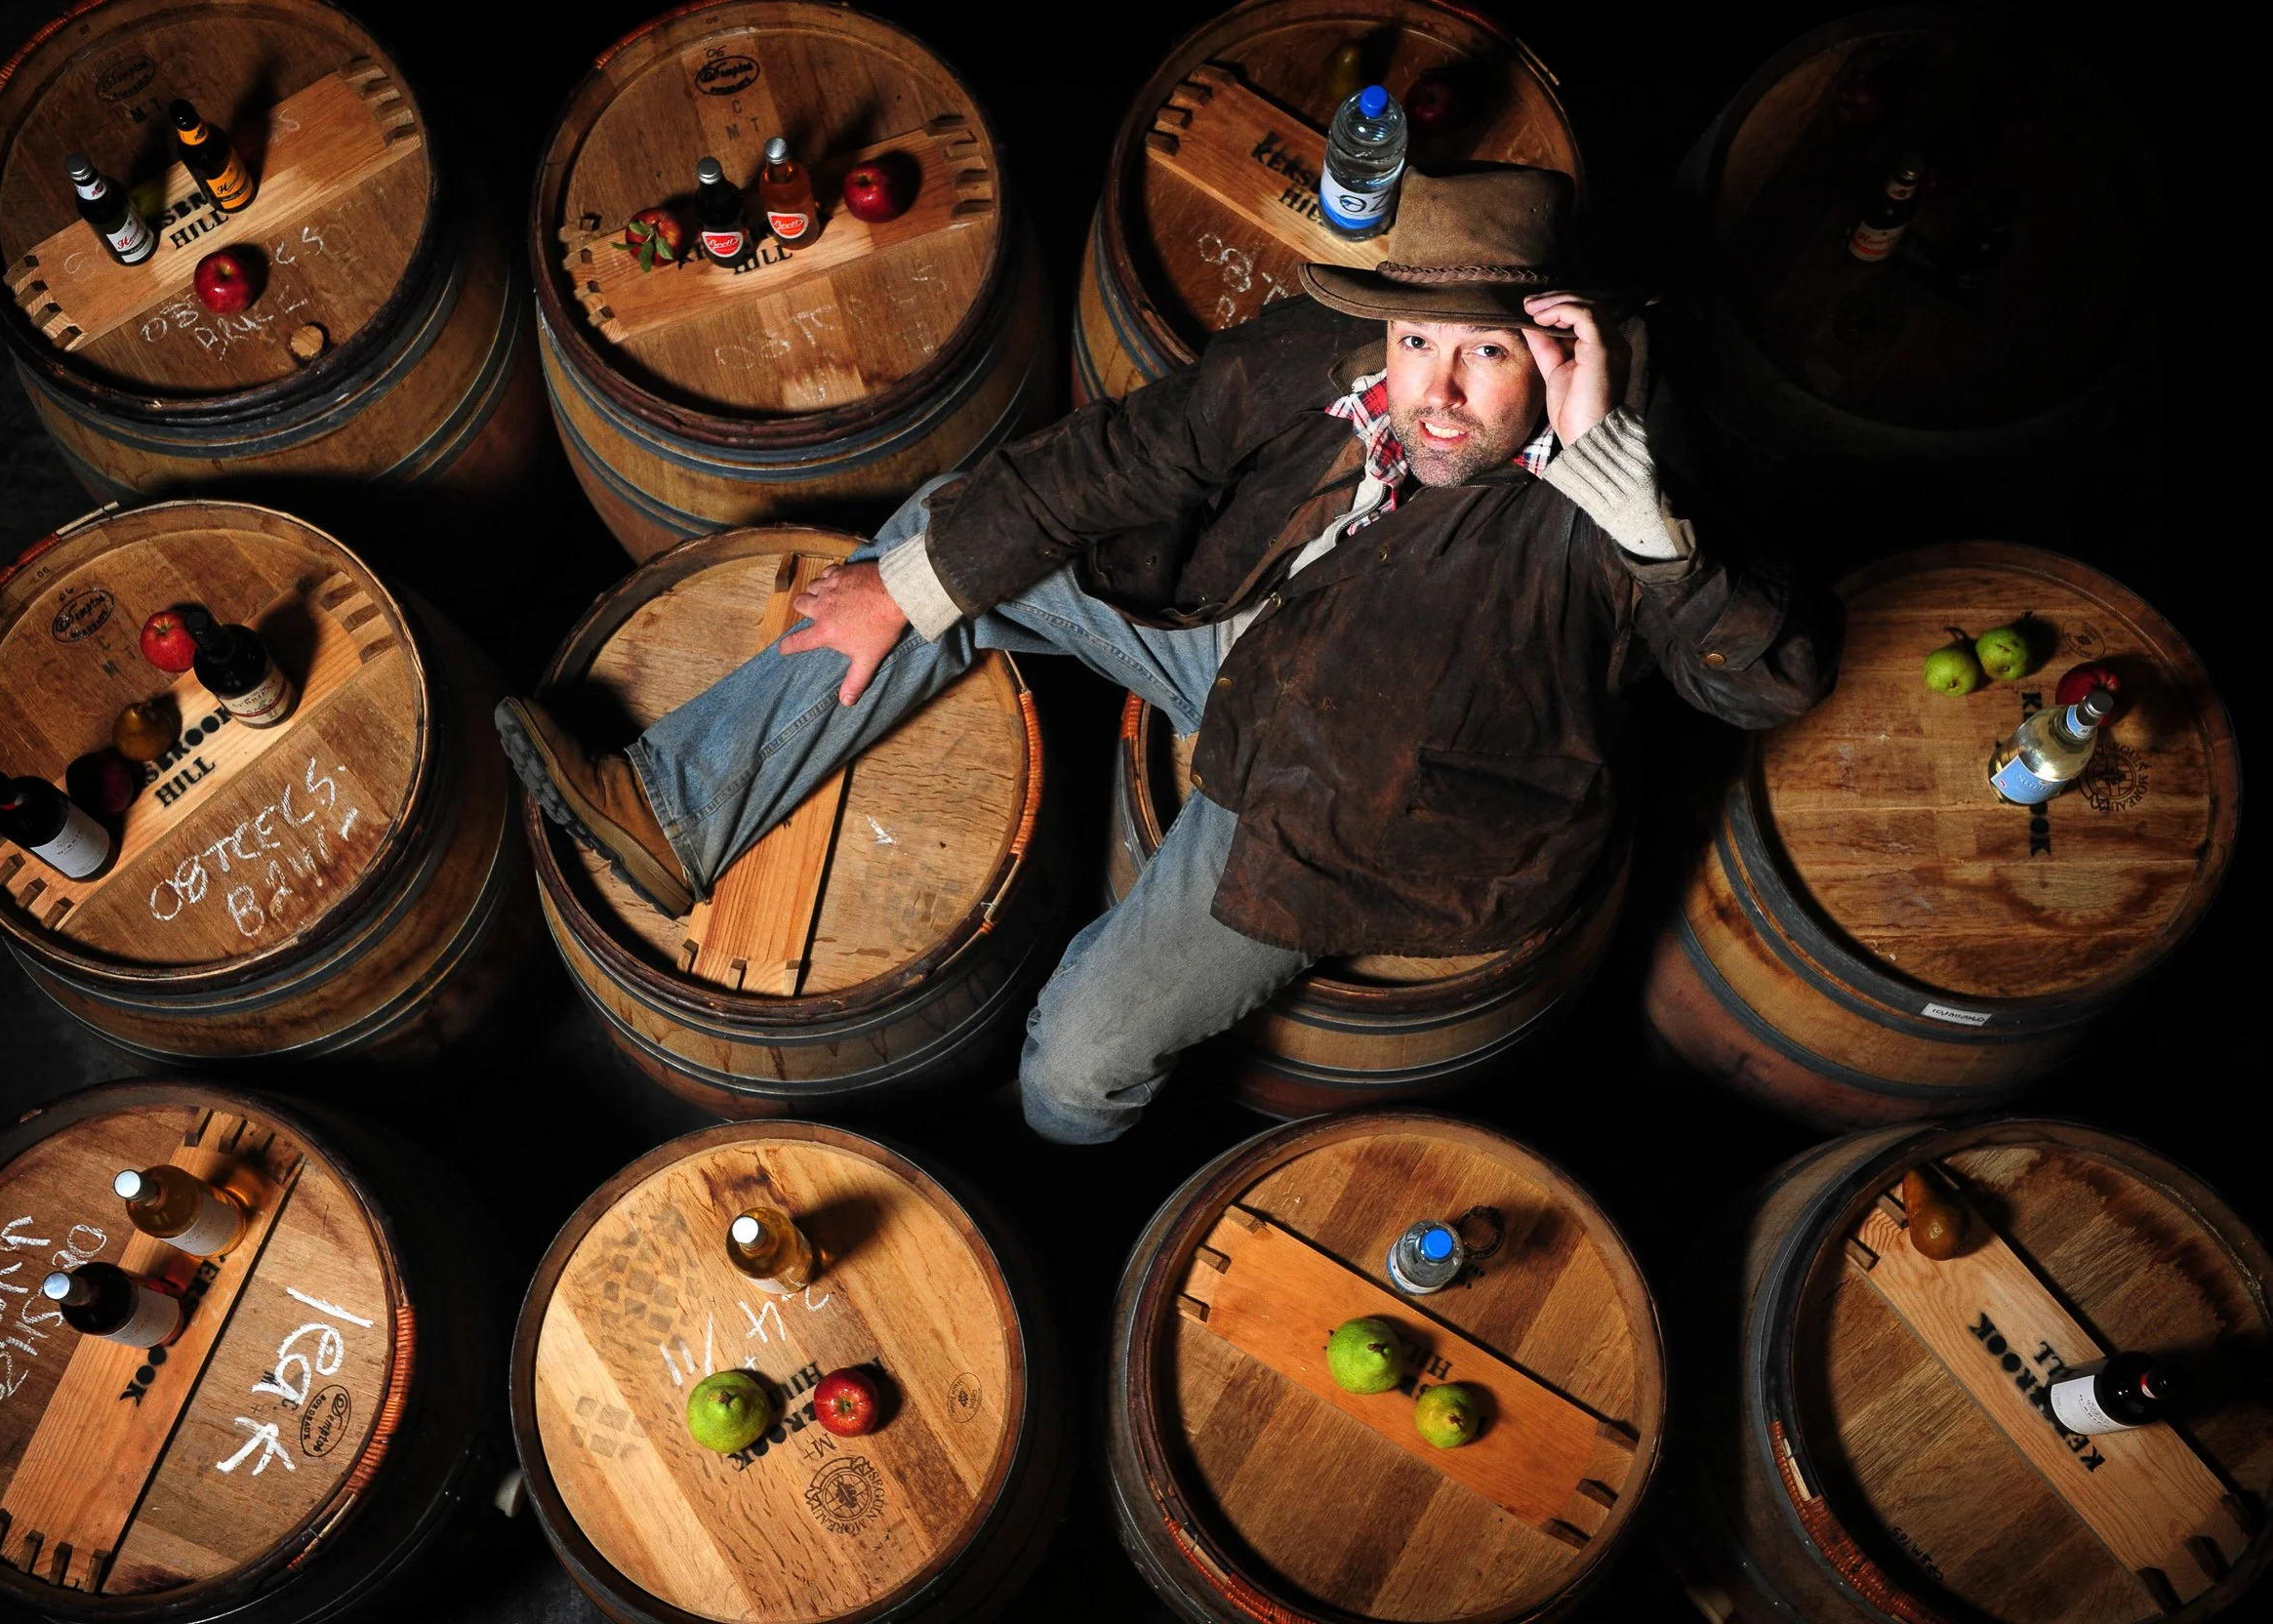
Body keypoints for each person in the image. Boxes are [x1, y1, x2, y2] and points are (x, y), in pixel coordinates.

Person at [497, 166, 1834, 1143]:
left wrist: (1652, 529)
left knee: (1074, 1066)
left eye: (1485, 355)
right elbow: (1131, 454)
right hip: (1238, 634)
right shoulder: (1332, 350)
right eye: (1418, 341)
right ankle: (678, 807)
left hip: (1348, 804)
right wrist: (905, 589)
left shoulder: (1619, 478)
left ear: (1556, 345)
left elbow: (1763, 683)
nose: (1435, 389)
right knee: (943, 540)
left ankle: (1078, 1200)